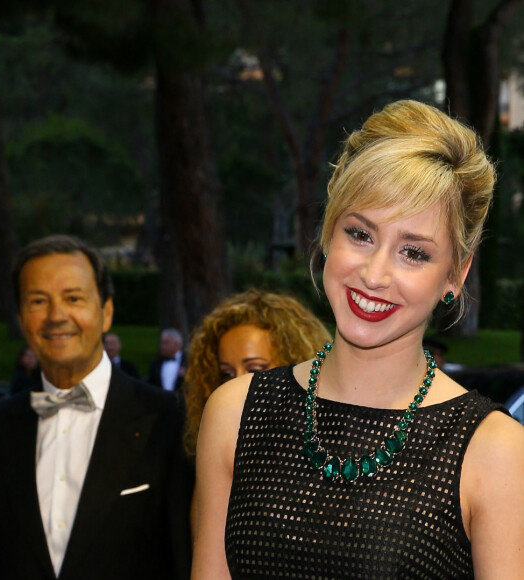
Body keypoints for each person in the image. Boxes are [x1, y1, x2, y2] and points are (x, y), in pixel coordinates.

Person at [192, 100, 524, 579]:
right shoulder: (233, 413)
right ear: (329, 233)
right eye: (361, 234)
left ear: (456, 273)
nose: (374, 274)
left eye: (413, 252)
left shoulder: (493, 451)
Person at [0, 235, 193, 580]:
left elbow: (186, 560)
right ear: (22, 317)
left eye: (73, 298)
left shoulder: (169, 419)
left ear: (107, 311)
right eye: (38, 300)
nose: (56, 315)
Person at [183, 288, 331, 459]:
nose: (236, 384)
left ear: (297, 363)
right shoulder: (219, 448)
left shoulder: (326, 450)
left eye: (254, 370)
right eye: (227, 374)